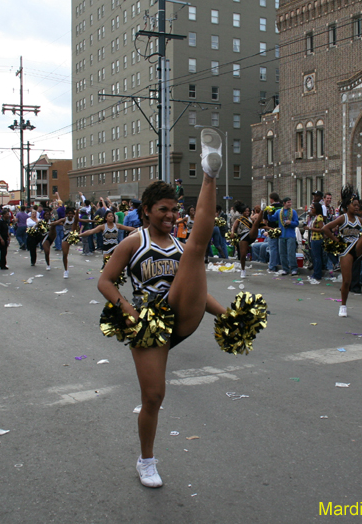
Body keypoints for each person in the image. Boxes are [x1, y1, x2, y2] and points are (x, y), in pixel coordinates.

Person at [98, 153, 253, 488]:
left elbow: (193, 295)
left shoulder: (183, 247)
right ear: (147, 211)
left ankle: (210, 174)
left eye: (174, 209)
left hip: (180, 315)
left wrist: (229, 316)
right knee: (153, 397)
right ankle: (146, 461)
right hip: (148, 324)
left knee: (196, 249)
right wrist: (128, 310)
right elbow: (105, 281)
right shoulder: (133, 242)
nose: (170, 215)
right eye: (163, 209)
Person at [320, 185, 362, 317]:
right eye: (354, 204)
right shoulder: (343, 218)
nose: (357, 207)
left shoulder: (360, 220)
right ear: (347, 205)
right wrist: (336, 240)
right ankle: (343, 305)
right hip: (345, 250)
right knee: (347, 281)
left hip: (358, 246)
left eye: (358, 205)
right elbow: (325, 228)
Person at [231, 201, 262, 279]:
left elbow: (260, 224)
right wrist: (232, 233)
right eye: (245, 211)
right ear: (242, 212)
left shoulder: (252, 218)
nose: (247, 212)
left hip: (251, 235)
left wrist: (272, 229)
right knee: (243, 255)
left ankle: (263, 210)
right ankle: (243, 270)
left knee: (256, 224)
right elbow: (234, 227)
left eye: (248, 211)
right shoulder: (239, 219)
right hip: (243, 237)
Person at [269, 198, 299, 276]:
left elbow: (296, 223)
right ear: (284, 203)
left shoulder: (293, 212)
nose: (290, 204)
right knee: (282, 253)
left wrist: (291, 222)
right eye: (288, 202)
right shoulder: (279, 212)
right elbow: (272, 219)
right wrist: (269, 214)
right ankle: (285, 269)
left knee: (291, 253)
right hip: (281, 235)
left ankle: (294, 269)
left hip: (290, 235)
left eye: (290, 202)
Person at [264, 193, 282, 273]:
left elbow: (265, 222)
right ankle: (280, 264)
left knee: (273, 249)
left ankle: (272, 266)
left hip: (272, 230)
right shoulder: (283, 207)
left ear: (272, 199)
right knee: (280, 249)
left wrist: (267, 230)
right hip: (282, 230)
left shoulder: (269, 208)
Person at [59, 207, 79, 279]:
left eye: (71, 213)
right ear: (66, 214)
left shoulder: (75, 220)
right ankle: (66, 270)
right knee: (64, 254)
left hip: (73, 237)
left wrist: (94, 221)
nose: (70, 215)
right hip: (65, 238)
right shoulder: (64, 220)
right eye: (69, 213)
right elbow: (56, 222)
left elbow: (85, 220)